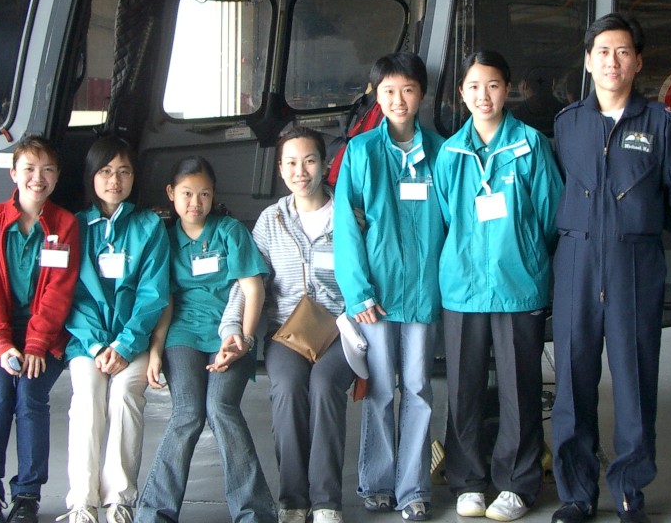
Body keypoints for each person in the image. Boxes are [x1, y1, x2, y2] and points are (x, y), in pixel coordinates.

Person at [549, 14, 671, 523]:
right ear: (588, 61)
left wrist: (635, 229)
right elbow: (561, 187)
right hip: (576, 261)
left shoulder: (660, 124)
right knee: (573, 379)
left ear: (638, 62)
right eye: (603, 51)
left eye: (623, 52)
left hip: (636, 261)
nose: (613, 61)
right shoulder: (567, 123)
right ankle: (577, 492)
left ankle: (630, 488)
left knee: (635, 377)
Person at [433, 50, 563, 523]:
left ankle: (516, 484)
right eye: (473, 86)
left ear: (508, 89)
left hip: (518, 284)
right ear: (462, 93)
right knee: (463, 389)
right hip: (463, 287)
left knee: (520, 389)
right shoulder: (451, 153)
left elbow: (551, 215)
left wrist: (523, 252)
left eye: (492, 85)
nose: (483, 95)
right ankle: (467, 481)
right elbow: (446, 216)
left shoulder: (530, 146)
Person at [334, 53, 446, 522]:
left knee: (418, 389)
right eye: (389, 91)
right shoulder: (361, 152)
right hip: (375, 298)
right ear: (376, 96)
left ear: (421, 94)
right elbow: (346, 227)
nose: (398, 100)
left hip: (423, 292)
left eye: (407, 90)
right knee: (380, 389)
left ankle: (413, 488)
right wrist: (358, 292)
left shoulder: (442, 151)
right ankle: (377, 481)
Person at [224, 126, 354, 523]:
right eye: (292, 163)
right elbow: (249, 281)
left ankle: (327, 502)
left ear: (325, 165)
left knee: (325, 386)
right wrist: (233, 328)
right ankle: (294, 500)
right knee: (288, 387)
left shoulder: (349, 216)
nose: (301, 171)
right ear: (280, 169)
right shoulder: (271, 220)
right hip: (288, 331)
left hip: (341, 330)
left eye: (310, 161)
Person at [136, 156, 275, 523]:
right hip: (182, 334)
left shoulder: (229, 231)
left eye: (204, 194)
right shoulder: (165, 239)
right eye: (186, 193)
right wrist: (155, 351)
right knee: (187, 413)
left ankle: (255, 514)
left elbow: (253, 288)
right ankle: (153, 514)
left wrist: (245, 340)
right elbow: (165, 301)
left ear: (214, 196)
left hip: (229, 334)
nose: (195, 202)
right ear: (171, 193)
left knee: (221, 408)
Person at [0, 135, 81, 523]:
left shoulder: (65, 224)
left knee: (31, 397)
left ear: (57, 176)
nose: (38, 177)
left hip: (45, 335)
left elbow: (59, 291)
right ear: (14, 173)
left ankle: (27, 496)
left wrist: (36, 343)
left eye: (47, 169)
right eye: (29, 169)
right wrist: (3, 344)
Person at [62, 137, 170, 523]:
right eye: (106, 171)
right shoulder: (74, 226)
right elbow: (69, 295)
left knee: (125, 396)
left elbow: (153, 294)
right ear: (91, 176)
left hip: (134, 341)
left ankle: (120, 499)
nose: (114, 180)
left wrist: (124, 345)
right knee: (88, 399)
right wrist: (96, 346)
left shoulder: (149, 226)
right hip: (86, 343)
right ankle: (82, 502)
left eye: (124, 171)